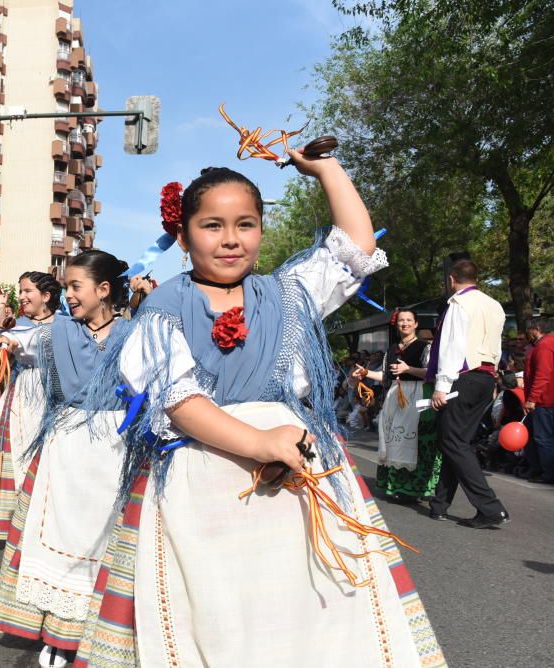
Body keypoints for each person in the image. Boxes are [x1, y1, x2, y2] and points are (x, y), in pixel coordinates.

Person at [76, 157, 443, 668]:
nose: (230, 239)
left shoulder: (288, 293)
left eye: (245, 225)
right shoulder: (162, 309)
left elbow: (357, 247)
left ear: (261, 231)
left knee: (312, 605)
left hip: (297, 482)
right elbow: (179, 402)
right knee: (218, 616)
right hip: (203, 480)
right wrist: (261, 443)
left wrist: (328, 170)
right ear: (182, 237)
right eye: (212, 226)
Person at [0, 250, 132, 668]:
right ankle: (57, 633)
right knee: (58, 541)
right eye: (65, 287)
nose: (67, 295)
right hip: (66, 446)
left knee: (103, 542)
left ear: (104, 290)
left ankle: (95, 632)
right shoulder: (58, 331)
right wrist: (4, 337)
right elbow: (24, 337)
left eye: (75, 286)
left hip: (114, 451)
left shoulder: (134, 332)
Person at [0, 271, 61, 541]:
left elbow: (34, 343)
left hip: (51, 392)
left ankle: (45, 522)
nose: (21, 296)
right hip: (21, 394)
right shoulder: (19, 323)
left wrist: (11, 340)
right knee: (19, 455)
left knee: (48, 456)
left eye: (27, 291)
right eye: (20, 291)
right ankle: (22, 523)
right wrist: (1, 333)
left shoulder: (64, 324)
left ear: (46, 296)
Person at [426, 259, 510, 528]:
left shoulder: (458, 304)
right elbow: (496, 343)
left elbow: (453, 346)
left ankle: (491, 508)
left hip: (463, 377)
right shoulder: (494, 305)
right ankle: (439, 504)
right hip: (486, 377)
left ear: (451, 279)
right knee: (456, 439)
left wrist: (441, 386)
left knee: (453, 440)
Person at [353, 309, 441, 502]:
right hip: (396, 395)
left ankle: (417, 488)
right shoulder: (392, 349)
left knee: (415, 440)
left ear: (416, 324)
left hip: (417, 394)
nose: (405, 323)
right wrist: (366, 373)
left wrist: (408, 369)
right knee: (394, 440)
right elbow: (386, 376)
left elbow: (432, 374)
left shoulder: (424, 347)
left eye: (409, 320)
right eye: (402, 320)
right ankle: (397, 485)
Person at [523, 317, 553, 484]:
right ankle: (539, 469)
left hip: (544, 401)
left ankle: (548, 474)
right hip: (546, 399)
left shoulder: (544, 345)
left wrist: (532, 398)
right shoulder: (547, 344)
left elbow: (542, 374)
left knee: (543, 438)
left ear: (535, 329)